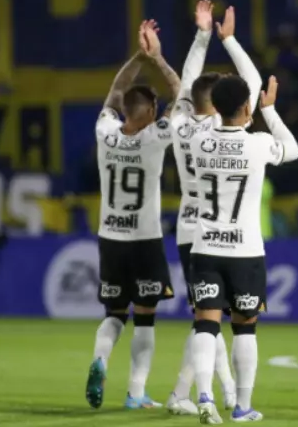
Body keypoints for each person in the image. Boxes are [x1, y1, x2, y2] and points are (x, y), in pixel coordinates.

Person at [167, 1, 263, 415]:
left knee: (205, 319)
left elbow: (185, 85)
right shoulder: (237, 133)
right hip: (236, 238)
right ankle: (228, 398)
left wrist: (201, 36)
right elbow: (254, 83)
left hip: (192, 231)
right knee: (231, 322)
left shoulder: (185, 128)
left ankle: (202, 393)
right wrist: (227, 39)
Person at [189, 74, 298, 423]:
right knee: (244, 327)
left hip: (205, 247)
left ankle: (205, 397)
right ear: (248, 107)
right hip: (245, 252)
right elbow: (293, 149)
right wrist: (270, 110)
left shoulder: (198, 141)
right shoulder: (259, 143)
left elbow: (213, 119)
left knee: (205, 324)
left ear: (215, 108)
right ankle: (242, 407)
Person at [86, 20, 181, 410]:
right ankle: (136, 393)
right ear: (152, 111)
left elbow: (115, 92)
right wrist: (156, 58)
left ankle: (100, 359)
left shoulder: (105, 131)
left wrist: (137, 59)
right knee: (145, 318)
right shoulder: (156, 137)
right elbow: (184, 94)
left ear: (126, 110)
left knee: (113, 313)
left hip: (111, 238)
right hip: (144, 240)